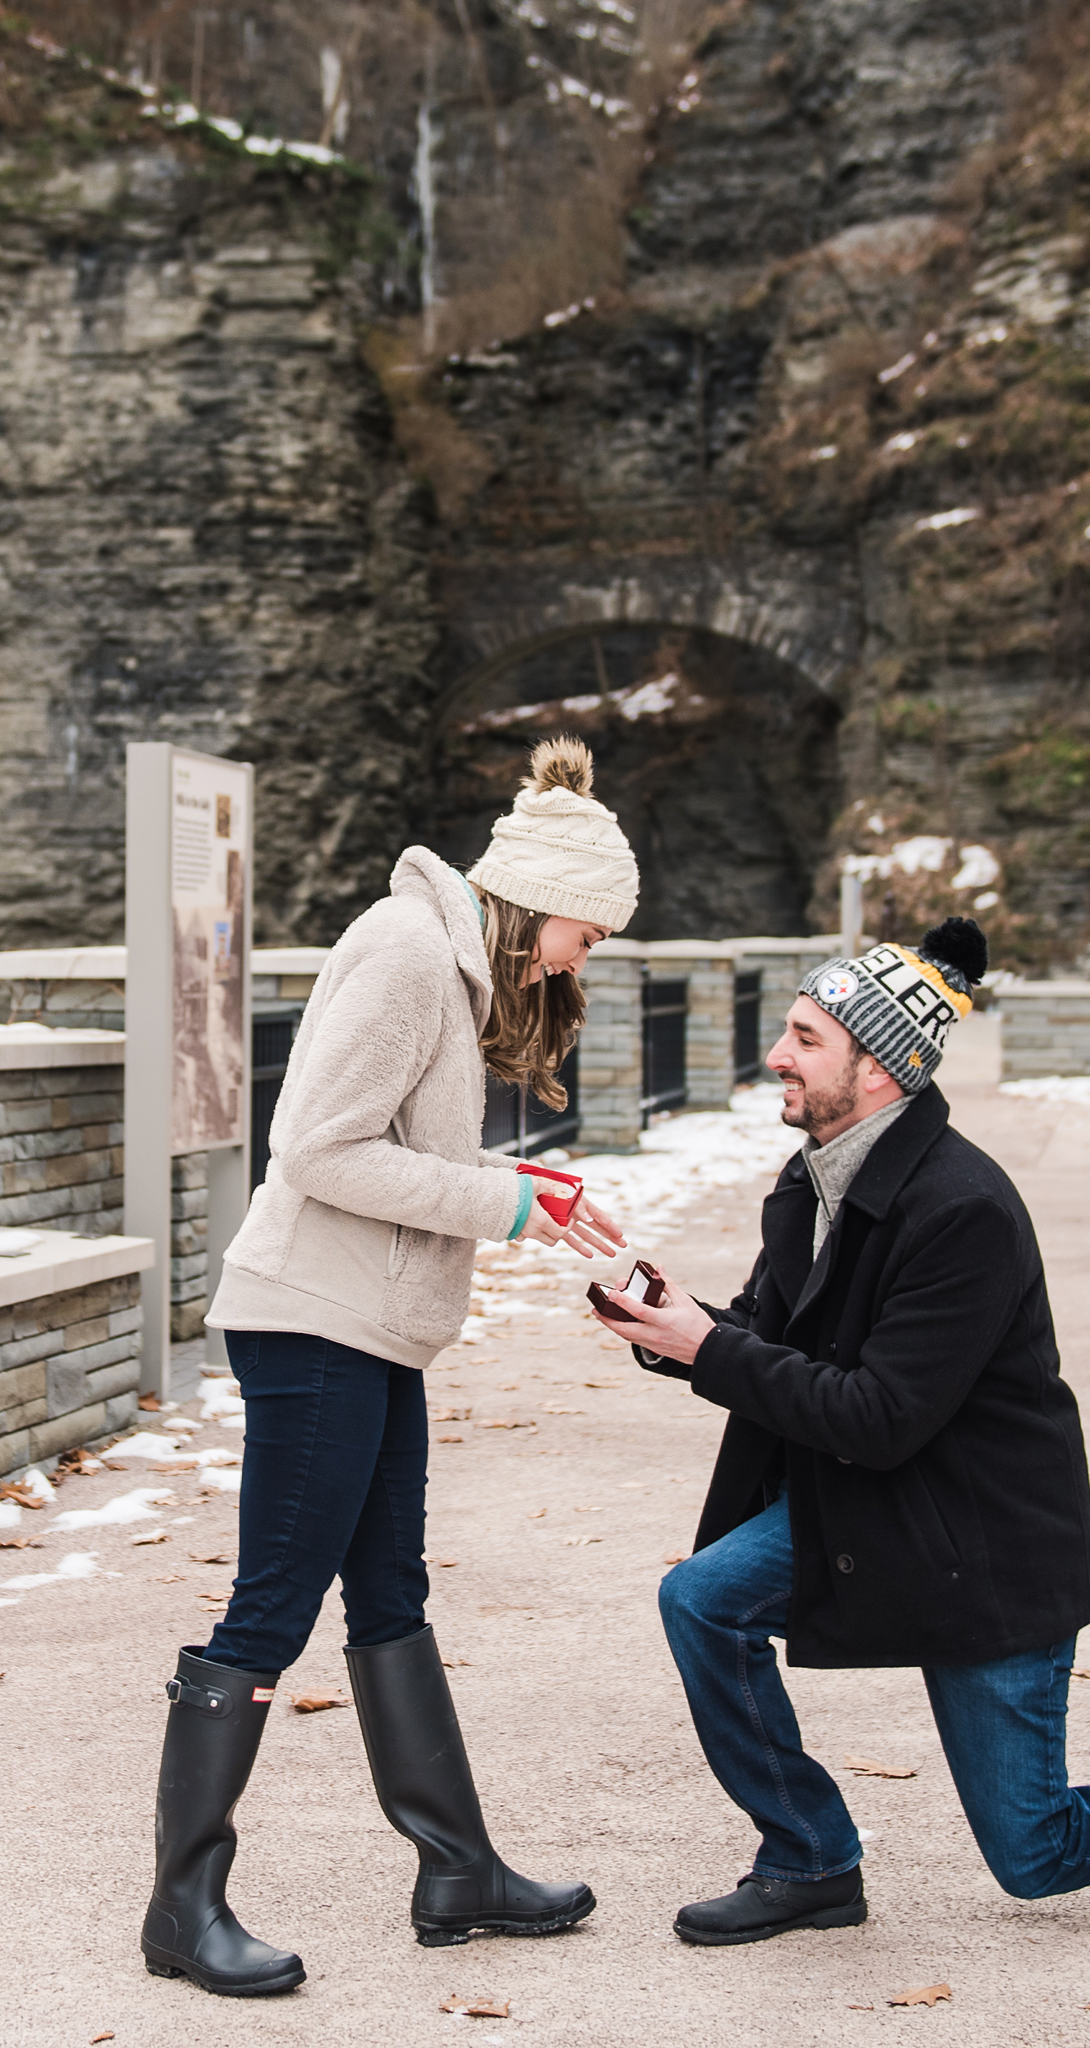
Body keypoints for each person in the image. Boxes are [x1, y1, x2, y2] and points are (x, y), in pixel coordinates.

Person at [595, 918, 1090, 1947]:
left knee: (1037, 1850)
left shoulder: (961, 1210)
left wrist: (707, 1348)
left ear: (878, 1070)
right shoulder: (816, 1174)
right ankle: (809, 1856)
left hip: (978, 1543)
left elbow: (879, 1413)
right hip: (872, 1502)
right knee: (703, 1600)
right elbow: (776, 1339)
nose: (777, 1053)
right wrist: (674, 1325)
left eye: (807, 1038)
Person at [143, 736, 638, 1996]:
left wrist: (518, 1189)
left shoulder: (451, 959)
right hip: (314, 1316)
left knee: (392, 1589)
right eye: (589, 931)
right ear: (541, 900)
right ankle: (183, 1906)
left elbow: (392, 1152)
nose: (585, 956)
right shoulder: (409, 952)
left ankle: (456, 1865)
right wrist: (505, 1206)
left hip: (366, 1323)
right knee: (273, 1602)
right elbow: (315, 1149)